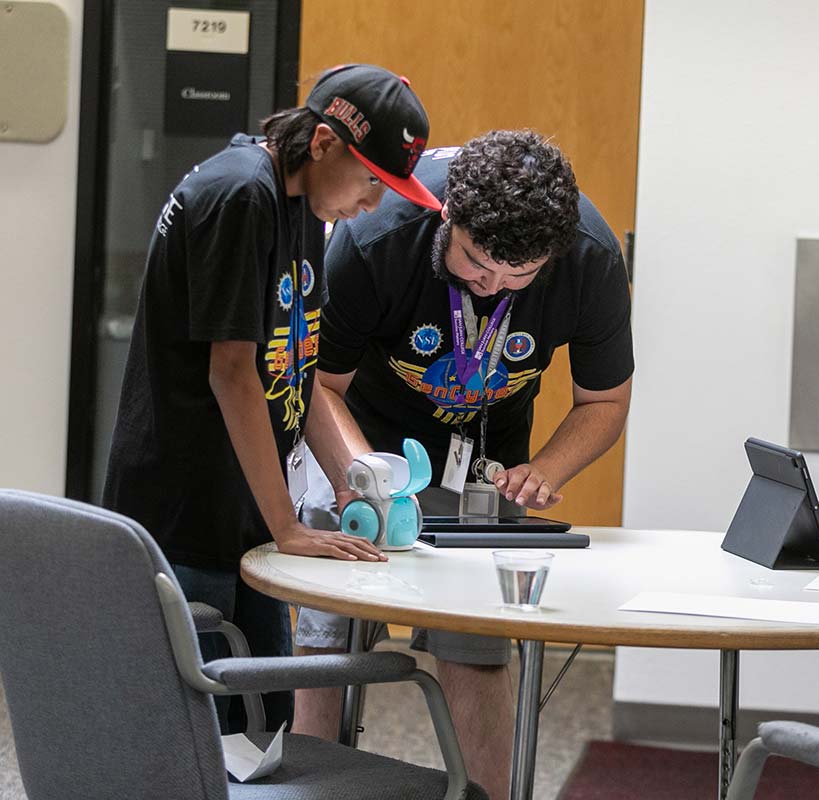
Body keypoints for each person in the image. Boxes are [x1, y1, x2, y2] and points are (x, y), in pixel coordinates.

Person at [102, 64, 442, 733]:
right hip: (188, 509)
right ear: (322, 144)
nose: (374, 205)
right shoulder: (240, 196)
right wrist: (287, 523)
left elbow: (297, 367)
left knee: (266, 725)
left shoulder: (302, 208)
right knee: (201, 737)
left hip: (245, 511)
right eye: (371, 180)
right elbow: (231, 372)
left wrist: (353, 486)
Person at [294, 129, 634, 797]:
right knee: (328, 637)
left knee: (474, 649)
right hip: (359, 440)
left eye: (518, 277)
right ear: (449, 217)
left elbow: (604, 400)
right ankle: (309, 786)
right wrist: (365, 476)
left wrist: (546, 470)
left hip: (483, 457)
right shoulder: (377, 236)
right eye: (476, 264)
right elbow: (318, 386)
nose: (490, 286)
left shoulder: (590, 258)